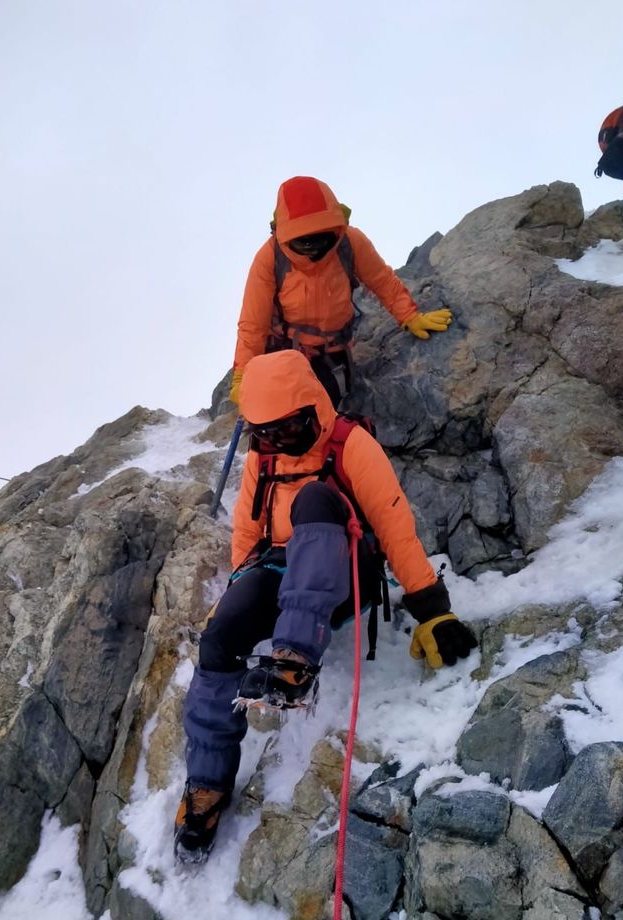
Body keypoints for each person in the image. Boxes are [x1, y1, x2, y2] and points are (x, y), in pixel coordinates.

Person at [174, 350, 477, 862]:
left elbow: (393, 524)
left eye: (287, 431)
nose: (274, 444)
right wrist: (232, 601)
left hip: (345, 567)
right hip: (278, 567)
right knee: (218, 641)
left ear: (312, 409)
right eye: (263, 435)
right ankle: (206, 782)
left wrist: (433, 608)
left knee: (314, 498)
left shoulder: (349, 445)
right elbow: (249, 537)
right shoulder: (264, 460)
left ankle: (294, 659)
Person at [228, 175, 454, 408]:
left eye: (320, 237)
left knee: (327, 414)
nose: (313, 248)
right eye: (303, 241)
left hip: (332, 353)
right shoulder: (269, 258)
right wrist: (242, 374)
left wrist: (410, 316)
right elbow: (253, 323)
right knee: (281, 418)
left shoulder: (350, 242)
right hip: (283, 352)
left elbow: (381, 280)